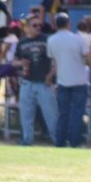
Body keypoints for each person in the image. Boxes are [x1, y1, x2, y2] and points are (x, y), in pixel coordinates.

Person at [47, 12, 91, 148]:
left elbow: (54, 63)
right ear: (69, 24)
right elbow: (89, 59)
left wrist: (50, 77)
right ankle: (75, 142)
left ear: (56, 25)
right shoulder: (78, 39)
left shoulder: (51, 40)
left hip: (62, 82)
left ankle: (60, 142)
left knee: (63, 114)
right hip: (79, 81)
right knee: (77, 113)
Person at [13, 14, 58, 146]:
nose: (38, 27)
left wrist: (50, 75)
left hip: (44, 83)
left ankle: (57, 140)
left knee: (51, 114)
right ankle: (27, 140)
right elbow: (14, 61)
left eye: (40, 25)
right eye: (35, 25)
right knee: (26, 114)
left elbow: (55, 60)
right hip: (27, 82)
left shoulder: (47, 40)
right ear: (27, 27)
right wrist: (21, 63)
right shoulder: (21, 42)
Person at [0, 22, 22, 100]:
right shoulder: (12, 38)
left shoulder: (11, 38)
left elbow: (4, 52)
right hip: (9, 63)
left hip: (11, 63)